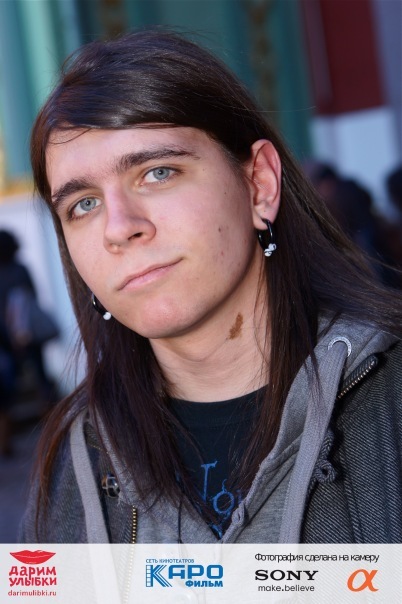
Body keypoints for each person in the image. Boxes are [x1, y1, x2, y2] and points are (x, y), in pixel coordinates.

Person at [20, 29, 402, 544]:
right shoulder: (77, 456)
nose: (119, 228)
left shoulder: (389, 399)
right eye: (83, 204)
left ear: (259, 185)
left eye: (158, 172)